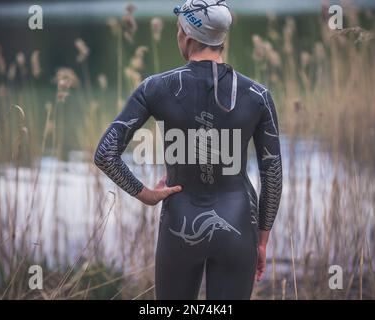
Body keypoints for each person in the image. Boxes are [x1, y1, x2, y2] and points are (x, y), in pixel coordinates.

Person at [94, 0, 282, 300]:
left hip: (179, 223)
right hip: (238, 224)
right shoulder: (258, 95)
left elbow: (105, 153)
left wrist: (146, 194)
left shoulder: (155, 88)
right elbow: (272, 175)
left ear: (187, 35)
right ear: (220, 37)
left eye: (177, 28)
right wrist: (261, 240)